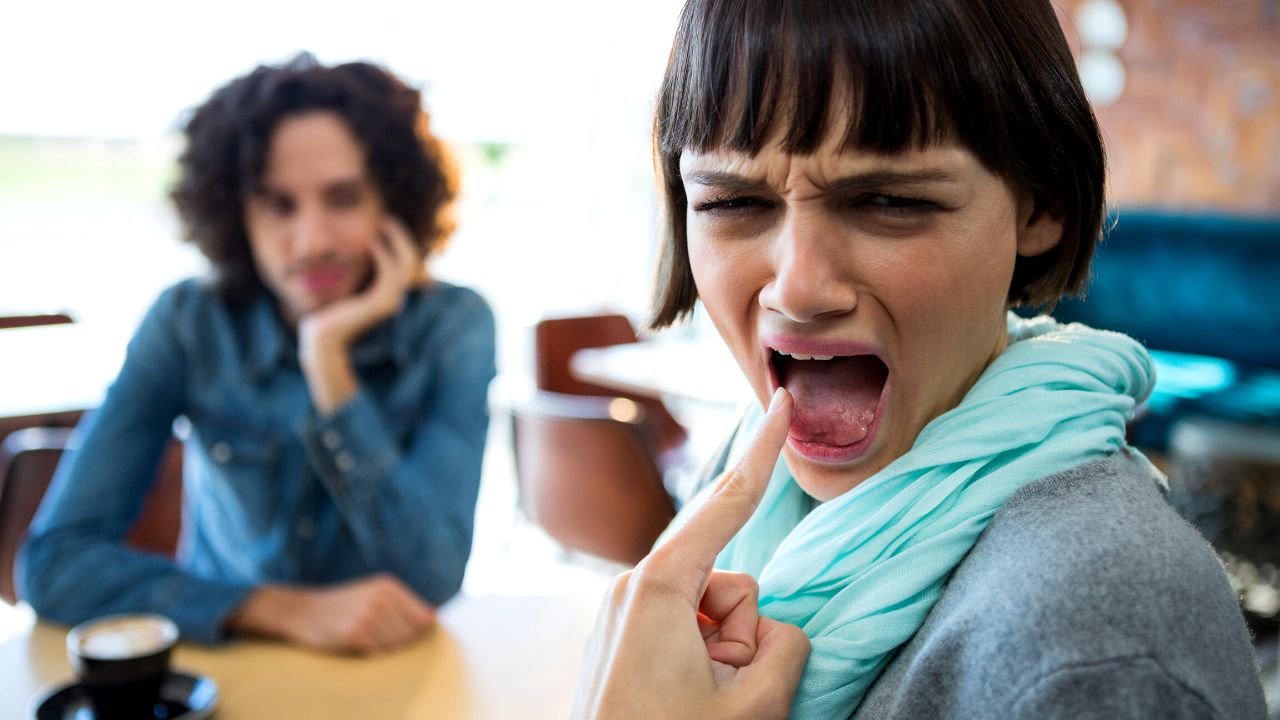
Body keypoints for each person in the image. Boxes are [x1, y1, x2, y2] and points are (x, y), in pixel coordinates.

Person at [574, 1, 1266, 718]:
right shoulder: (748, 495)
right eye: (732, 202)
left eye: (888, 200)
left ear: (1041, 208)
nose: (799, 288)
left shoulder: (1092, 649)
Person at [19, 54, 496, 654]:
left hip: (391, 675)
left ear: (393, 204)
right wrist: (275, 610)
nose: (313, 241)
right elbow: (56, 562)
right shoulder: (189, 322)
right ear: (236, 214)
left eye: (343, 198)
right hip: (233, 665)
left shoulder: (454, 325)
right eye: (278, 205)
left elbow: (433, 578)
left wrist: (329, 367)